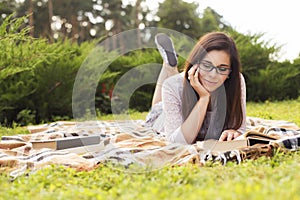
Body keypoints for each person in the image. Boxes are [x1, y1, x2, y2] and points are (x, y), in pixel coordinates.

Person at [144, 32, 246, 144]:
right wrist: (204, 98)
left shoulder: (236, 81)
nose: (213, 75)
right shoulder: (171, 85)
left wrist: (235, 132)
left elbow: (240, 127)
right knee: (158, 105)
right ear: (195, 63)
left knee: (175, 86)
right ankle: (168, 66)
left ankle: (170, 67)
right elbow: (177, 143)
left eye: (222, 69)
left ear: (231, 71)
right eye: (207, 65)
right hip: (162, 116)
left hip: (178, 88)